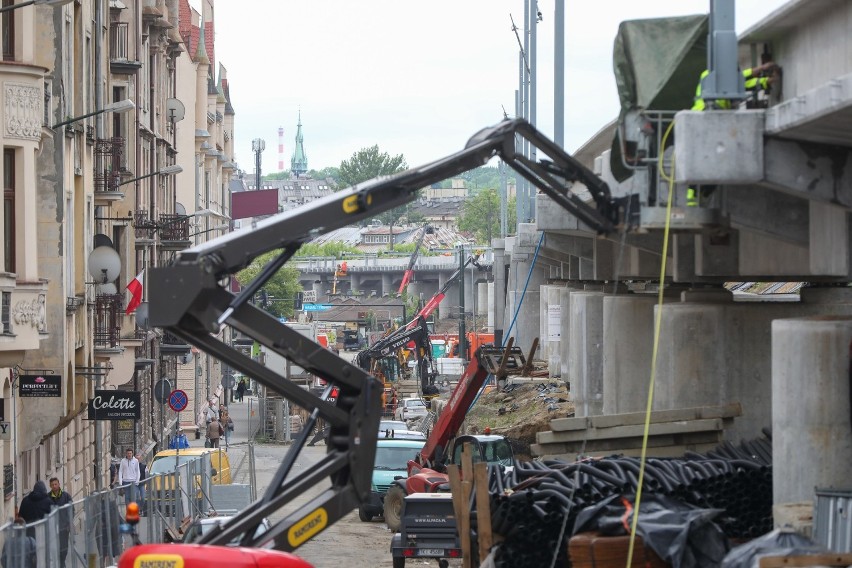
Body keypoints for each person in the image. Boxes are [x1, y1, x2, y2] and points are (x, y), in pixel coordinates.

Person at [48, 477, 73, 568]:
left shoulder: (66, 496)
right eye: (52, 485)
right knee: (54, 548)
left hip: (63, 527)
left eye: (56, 484)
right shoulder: (48, 497)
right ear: (50, 486)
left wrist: (69, 523)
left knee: (64, 548)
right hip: (52, 528)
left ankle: (62, 562)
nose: (54, 486)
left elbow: (71, 510)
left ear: (59, 484)